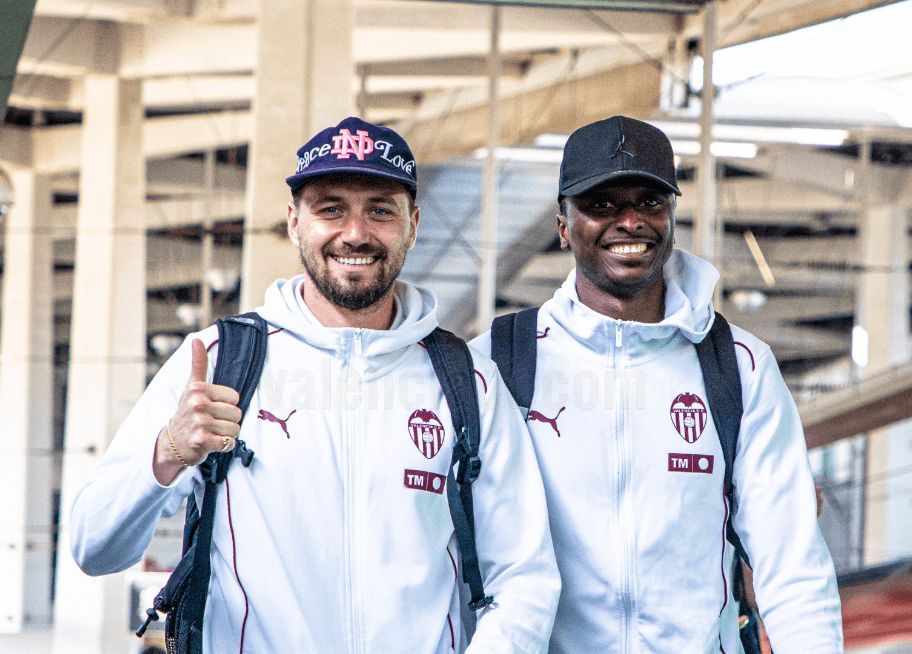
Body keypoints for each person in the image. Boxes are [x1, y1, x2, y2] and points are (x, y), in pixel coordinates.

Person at [69, 117, 560, 653]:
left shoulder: (466, 381)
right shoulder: (218, 362)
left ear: (413, 224)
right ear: (294, 221)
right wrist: (166, 453)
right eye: (331, 209)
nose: (355, 233)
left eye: (380, 210)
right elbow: (94, 546)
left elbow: (524, 572)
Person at [472, 115, 843, 653]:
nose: (629, 221)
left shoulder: (738, 367)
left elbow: (793, 566)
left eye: (649, 201)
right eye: (601, 204)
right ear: (562, 226)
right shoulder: (501, 362)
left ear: (671, 215)